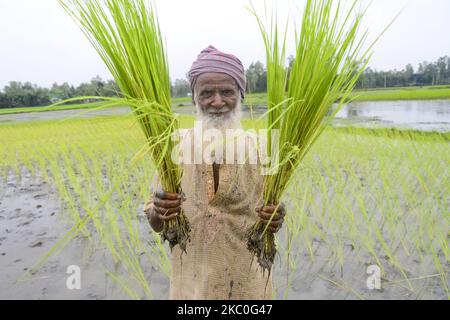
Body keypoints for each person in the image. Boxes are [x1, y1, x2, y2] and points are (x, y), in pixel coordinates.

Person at [144, 45, 286, 300]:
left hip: (250, 288)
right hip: (190, 289)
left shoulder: (265, 147)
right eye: (207, 92)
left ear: (241, 95)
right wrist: (159, 211)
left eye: (228, 92)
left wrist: (276, 218)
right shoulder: (173, 145)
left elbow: (274, 215)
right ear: (194, 97)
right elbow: (155, 223)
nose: (218, 102)